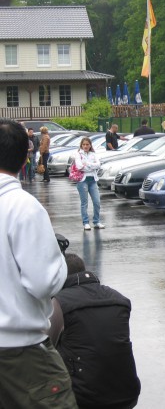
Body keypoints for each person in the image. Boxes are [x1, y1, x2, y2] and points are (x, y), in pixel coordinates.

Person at [0, 118, 78, 408]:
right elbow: (42, 282)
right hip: (22, 351)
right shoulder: (23, 206)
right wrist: (59, 262)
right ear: (25, 158)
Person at [48, 253, 141, 409]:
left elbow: (45, 345)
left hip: (84, 397)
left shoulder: (59, 303)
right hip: (128, 392)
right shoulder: (118, 298)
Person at [74, 137, 104, 230]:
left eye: (87, 144)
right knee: (84, 202)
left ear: (90, 145)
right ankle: (86, 222)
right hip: (82, 181)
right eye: (84, 144)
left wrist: (87, 164)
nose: (86, 146)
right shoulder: (78, 154)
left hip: (93, 180)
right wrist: (92, 166)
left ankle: (96, 221)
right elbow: (79, 166)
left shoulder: (93, 154)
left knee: (97, 202)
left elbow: (98, 165)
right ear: (81, 145)